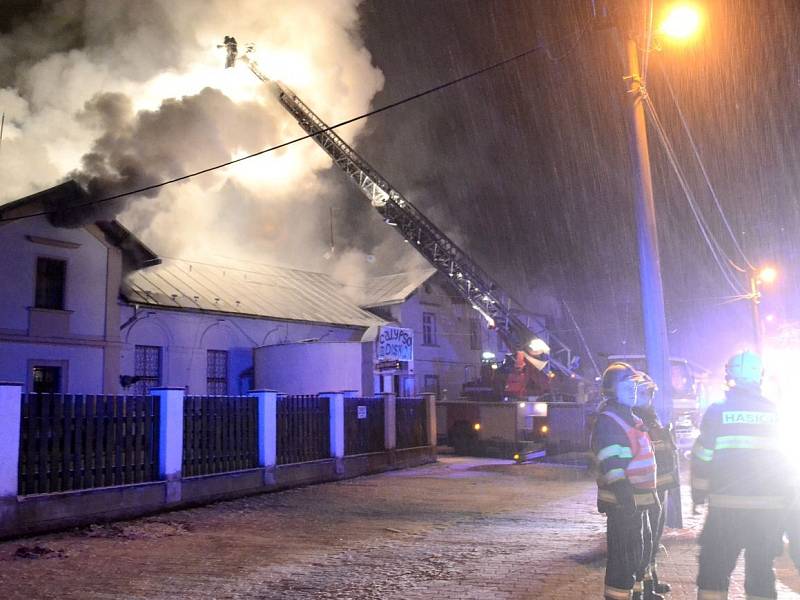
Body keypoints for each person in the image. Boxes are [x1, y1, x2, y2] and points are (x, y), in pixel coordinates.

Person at [692, 350, 790, 600]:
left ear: (729, 376)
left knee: (714, 570)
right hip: (768, 513)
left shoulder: (716, 411)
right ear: (760, 377)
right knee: (761, 572)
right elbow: (787, 463)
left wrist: (699, 493)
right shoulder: (776, 412)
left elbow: (703, 456)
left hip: (726, 511)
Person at [592, 362, 660, 600]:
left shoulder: (631, 418)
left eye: (635, 385)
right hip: (623, 504)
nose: (633, 390)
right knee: (623, 560)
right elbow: (612, 465)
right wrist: (625, 498)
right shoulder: (610, 420)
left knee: (636, 555)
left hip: (636, 503)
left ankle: (636, 596)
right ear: (612, 389)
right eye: (627, 385)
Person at [633, 373, 678, 598]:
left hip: (658, 486)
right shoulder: (633, 419)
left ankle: (652, 581)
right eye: (645, 393)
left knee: (654, 538)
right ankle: (643, 587)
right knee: (645, 540)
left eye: (651, 393)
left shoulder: (650, 416)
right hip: (645, 489)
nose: (649, 397)